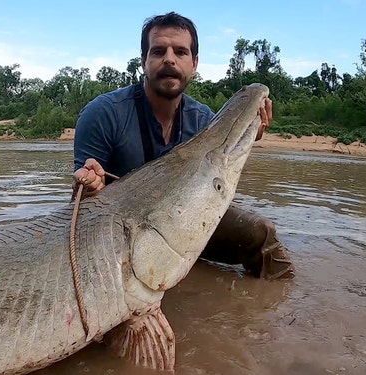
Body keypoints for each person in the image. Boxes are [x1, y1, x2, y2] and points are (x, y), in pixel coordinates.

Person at [72, 12, 294, 279]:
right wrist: (88, 187)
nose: (169, 59)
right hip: (119, 234)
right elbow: (80, 211)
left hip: (185, 223)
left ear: (194, 63)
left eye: (180, 52)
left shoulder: (204, 120)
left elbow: (216, 189)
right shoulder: (102, 113)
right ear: (144, 61)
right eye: (158, 51)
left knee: (262, 234)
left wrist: (249, 135)